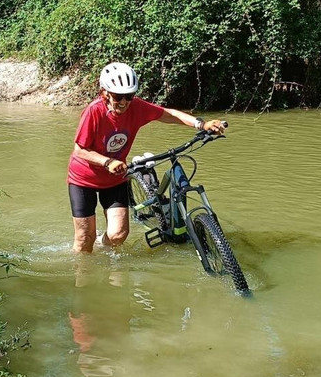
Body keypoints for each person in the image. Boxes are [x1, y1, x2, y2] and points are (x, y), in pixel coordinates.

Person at [68, 61, 226, 253]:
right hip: (83, 180)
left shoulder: (136, 108)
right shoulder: (94, 111)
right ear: (105, 94)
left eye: (129, 96)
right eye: (118, 97)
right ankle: (82, 275)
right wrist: (107, 161)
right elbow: (79, 150)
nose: (125, 102)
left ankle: (104, 249)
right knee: (85, 239)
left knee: (118, 236)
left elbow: (168, 115)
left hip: (114, 179)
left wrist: (202, 124)